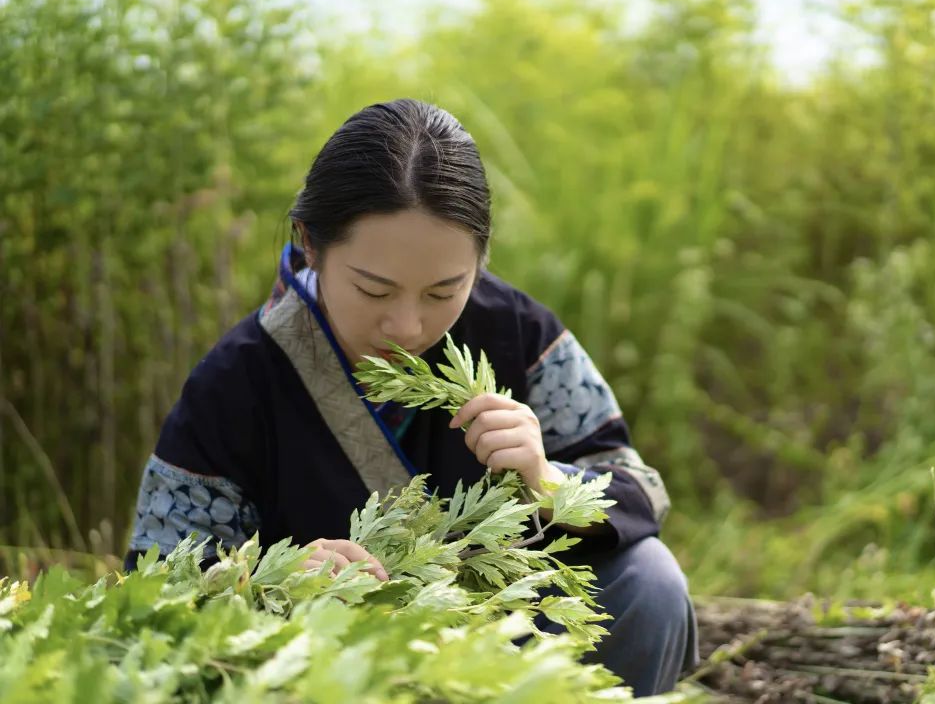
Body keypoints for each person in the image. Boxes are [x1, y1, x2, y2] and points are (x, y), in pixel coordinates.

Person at [123, 98, 698, 695]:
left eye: (444, 291)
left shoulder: (517, 332)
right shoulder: (236, 381)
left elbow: (639, 486)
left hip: (505, 644)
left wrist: (547, 483)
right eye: (374, 289)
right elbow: (159, 573)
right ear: (310, 245)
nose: (407, 327)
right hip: (330, 665)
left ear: (480, 260)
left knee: (647, 583)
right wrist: (275, 578)